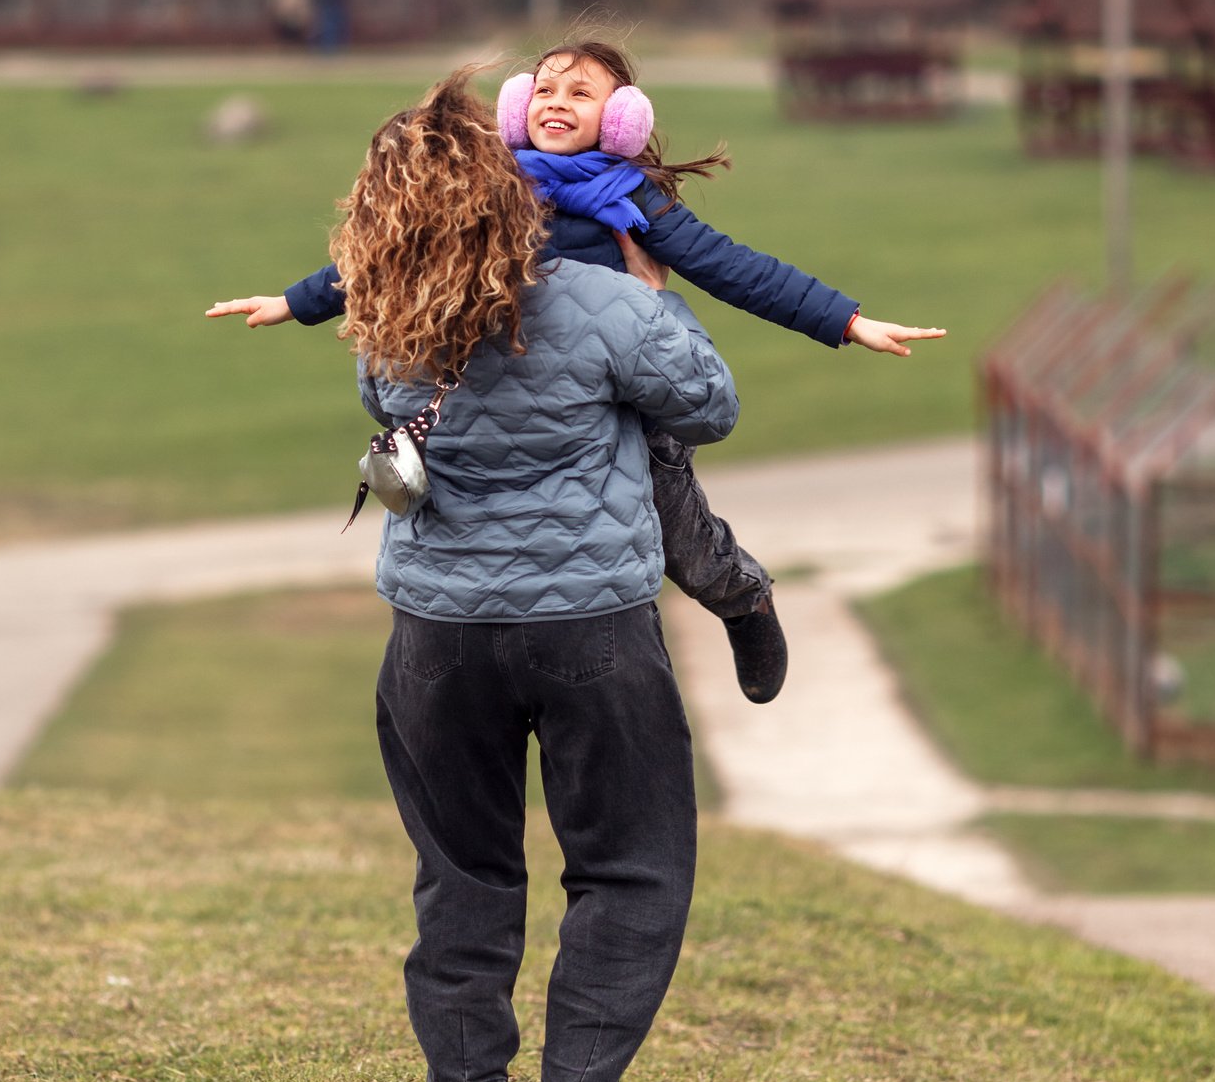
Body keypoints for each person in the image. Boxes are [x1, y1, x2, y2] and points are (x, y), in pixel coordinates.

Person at [265, 67, 737, 1082]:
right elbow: (710, 405)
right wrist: (652, 295)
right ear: (513, 193)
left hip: (437, 632)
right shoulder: (610, 306)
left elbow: (392, 416)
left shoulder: (387, 323)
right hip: (592, 626)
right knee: (628, 862)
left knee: (462, 866)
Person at [207, 38, 944, 704]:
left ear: (620, 119)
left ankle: (743, 601)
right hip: (507, 381)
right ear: (518, 108)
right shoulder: (488, 180)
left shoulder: (631, 199)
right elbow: (393, 250)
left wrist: (844, 320)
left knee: (680, 538)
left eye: (580, 93)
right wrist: (293, 302)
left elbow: (731, 267)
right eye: (546, 89)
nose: (558, 103)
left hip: (619, 396)